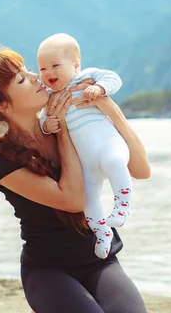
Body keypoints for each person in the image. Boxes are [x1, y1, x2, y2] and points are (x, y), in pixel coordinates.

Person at [0, 47, 151, 313]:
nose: (35, 77)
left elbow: (141, 170)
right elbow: (73, 200)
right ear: (3, 105)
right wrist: (63, 133)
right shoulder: (1, 161)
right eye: (21, 79)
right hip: (48, 270)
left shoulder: (71, 121)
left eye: (28, 70)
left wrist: (108, 108)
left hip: (99, 257)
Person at [37, 33, 133, 259]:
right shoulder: (49, 97)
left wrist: (100, 89)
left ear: (76, 64)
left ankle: (122, 204)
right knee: (88, 197)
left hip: (108, 144)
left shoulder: (87, 77)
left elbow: (113, 78)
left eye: (55, 66)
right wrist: (46, 125)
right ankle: (102, 232)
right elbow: (41, 118)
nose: (48, 73)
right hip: (85, 163)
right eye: (42, 69)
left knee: (115, 162)